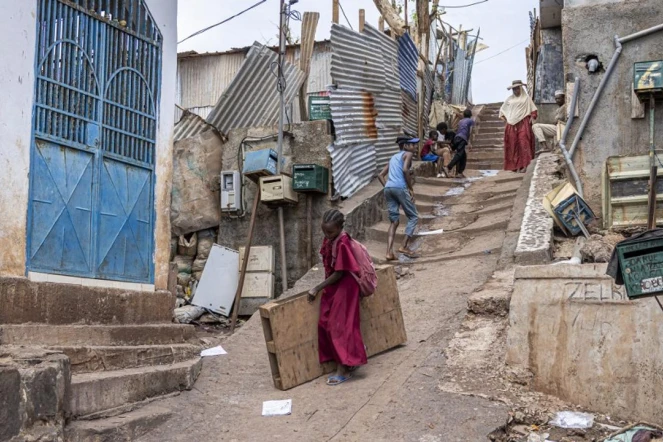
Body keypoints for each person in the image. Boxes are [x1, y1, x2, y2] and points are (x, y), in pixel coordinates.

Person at [307, 209, 367, 386]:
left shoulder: (342, 243)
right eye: (324, 231)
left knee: (339, 326)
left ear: (340, 227)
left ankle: (344, 369)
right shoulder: (330, 239)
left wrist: (317, 288)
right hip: (334, 287)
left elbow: (340, 272)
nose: (327, 235)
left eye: (331, 232)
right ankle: (345, 358)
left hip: (346, 286)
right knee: (324, 322)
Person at [378, 136, 419, 260]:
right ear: (405, 146)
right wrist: (410, 188)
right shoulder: (408, 154)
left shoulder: (393, 157)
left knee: (394, 221)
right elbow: (405, 170)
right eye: (413, 145)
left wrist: (388, 187)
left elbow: (380, 175)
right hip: (400, 188)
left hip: (388, 189)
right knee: (413, 216)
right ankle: (404, 246)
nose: (415, 147)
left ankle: (389, 252)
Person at [499, 80, 538, 173]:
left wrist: (532, 117)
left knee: (523, 143)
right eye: (514, 89)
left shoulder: (526, 99)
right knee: (512, 145)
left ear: (520, 88)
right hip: (511, 125)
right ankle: (515, 166)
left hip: (523, 123)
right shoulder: (509, 99)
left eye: (517, 88)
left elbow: (533, 109)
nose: (515, 91)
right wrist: (506, 119)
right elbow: (502, 111)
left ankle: (525, 166)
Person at [443, 108, 474, 179]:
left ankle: (459, 172)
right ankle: (448, 167)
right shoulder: (470, 121)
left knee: (463, 156)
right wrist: (470, 143)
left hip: (456, 138)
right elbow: (470, 131)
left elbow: (458, 129)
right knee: (459, 154)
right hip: (462, 138)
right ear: (470, 115)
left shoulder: (461, 121)